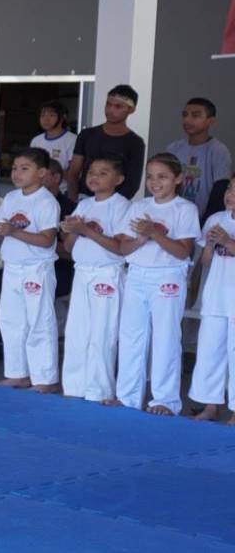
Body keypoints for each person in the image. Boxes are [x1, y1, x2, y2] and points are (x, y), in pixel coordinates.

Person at [112, 153, 200, 415]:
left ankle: (165, 400)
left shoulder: (185, 208)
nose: (154, 182)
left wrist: (154, 233)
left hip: (168, 277)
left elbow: (183, 251)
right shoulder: (139, 206)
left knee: (165, 337)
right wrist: (141, 239)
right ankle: (127, 396)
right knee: (131, 336)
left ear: (178, 179)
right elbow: (123, 248)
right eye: (150, 176)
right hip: (137, 274)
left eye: (162, 176)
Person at [0, 148, 61, 393]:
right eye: (15, 168)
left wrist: (14, 231)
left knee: (39, 321)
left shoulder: (46, 201)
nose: (17, 173)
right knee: (11, 321)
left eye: (25, 168)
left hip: (36, 268)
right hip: (12, 266)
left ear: (42, 172)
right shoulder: (11, 198)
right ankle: (17, 373)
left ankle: (45, 378)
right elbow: (2, 232)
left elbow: (47, 240)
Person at [59, 157, 130, 402]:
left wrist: (86, 230)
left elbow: (120, 248)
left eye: (103, 173)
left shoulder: (121, 206)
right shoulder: (84, 204)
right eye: (91, 172)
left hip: (106, 273)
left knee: (102, 334)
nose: (94, 177)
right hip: (82, 271)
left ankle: (99, 389)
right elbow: (69, 247)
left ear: (118, 179)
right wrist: (70, 231)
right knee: (77, 331)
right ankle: (74, 386)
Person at [189, 180, 235, 422]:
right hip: (216, 295)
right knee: (210, 351)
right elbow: (206, 261)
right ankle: (210, 405)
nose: (231, 194)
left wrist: (228, 241)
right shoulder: (216, 219)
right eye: (230, 189)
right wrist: (210, 244)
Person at [67, 84, 146, 200]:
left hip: (115, 203)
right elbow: (73, 172)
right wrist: (74, 201)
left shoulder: (135, 143)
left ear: (131, 110)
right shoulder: (87, 134)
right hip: (83, 199)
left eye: (118, 106)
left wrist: (114, 205)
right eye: (108, 104)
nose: (110, 110)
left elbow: (132, 183)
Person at [166, 97, 231, 210]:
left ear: (211, 121)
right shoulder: (173, 148)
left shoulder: (219, 151)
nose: (187, 120)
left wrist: (208, 218)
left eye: (195, 116)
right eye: (185, 115)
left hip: (204, 216)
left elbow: (220, 190)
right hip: (174, 214)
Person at [30, 100, 77, 178]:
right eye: (42, 115)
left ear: (63, 117)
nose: (46, 119)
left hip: (61, 185)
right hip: (38, 185)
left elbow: (74, 172)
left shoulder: (72, 140)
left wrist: (53, 174)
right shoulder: (36, 140)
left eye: (51, 115)